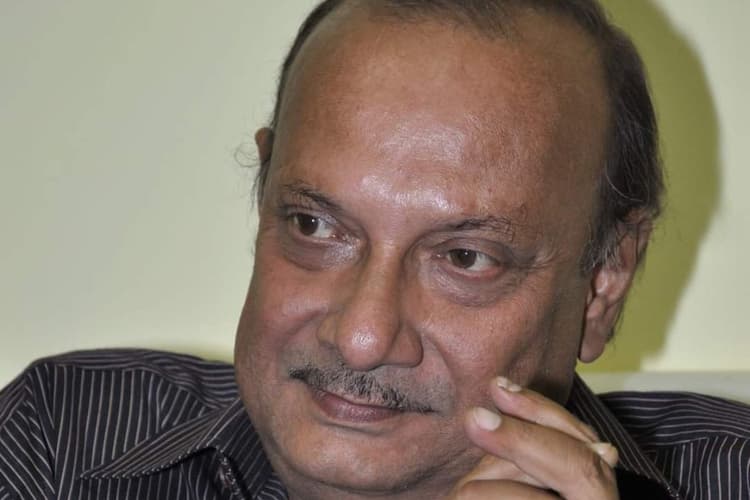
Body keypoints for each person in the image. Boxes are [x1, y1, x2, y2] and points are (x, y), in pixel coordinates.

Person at [0, 1, 748, 499]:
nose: (360, 338)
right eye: (314, 226)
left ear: (605, 280)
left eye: (465, 259)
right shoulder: (60, 441)